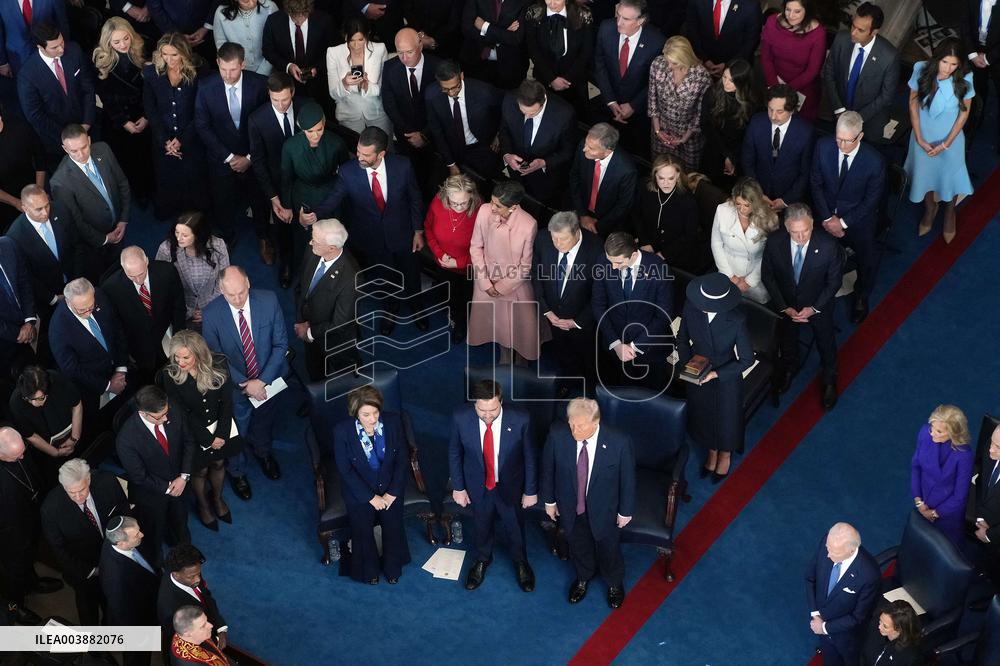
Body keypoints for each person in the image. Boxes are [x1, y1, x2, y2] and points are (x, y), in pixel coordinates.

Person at [305, 127, 428, 337]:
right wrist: (314, 215)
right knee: (385, 275)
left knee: (411, 273)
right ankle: (391, 309)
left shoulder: (403, 166)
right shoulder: (348, 171)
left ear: (381, 154)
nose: (359, 157)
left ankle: (417, 307)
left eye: (366, 154)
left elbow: (415, 199)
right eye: (358, 152)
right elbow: (333, 199)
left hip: (403, 234)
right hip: (371, 238)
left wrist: (418, 230)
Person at [201, 266, 289, 499]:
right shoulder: (211, 314)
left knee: (264, 420)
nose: (238, 299)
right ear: (221, 290)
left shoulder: (269, 301)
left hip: (268, 383)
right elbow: (215, 358)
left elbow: (281, 345)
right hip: (235, 388)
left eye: (241, 292)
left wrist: (262, 381)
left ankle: (263, 452)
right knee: (236, 430)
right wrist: (245, 383)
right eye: (231, 295)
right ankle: (237, 471)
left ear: (248, 282)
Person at [541, 398, 635, 608]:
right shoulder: (557, 435)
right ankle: (583, 576)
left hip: (605, 511)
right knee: (578, 545)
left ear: (596, 422)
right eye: (571, 424)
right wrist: (549, 501)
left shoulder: (619, 442)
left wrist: (625, 511)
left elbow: (627, 479)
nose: (574, 430)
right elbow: (548, 470)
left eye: (580, 426)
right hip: (570, 507)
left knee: (608, 548)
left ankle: (614, 582)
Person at [449, 380, 537, 592]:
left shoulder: (521, 419)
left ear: (501, 402)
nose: (488, 415)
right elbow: (454, 452)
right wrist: (458, 487)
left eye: (493, 409)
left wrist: (530, 490)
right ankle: (482, 559)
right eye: (482, 410)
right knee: (481, 524)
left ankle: (520, 562)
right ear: (474, 405)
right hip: (478, 485)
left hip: (510, 485)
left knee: (514, 525)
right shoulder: (460, 418)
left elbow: (530, 457)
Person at [157, 330, 243, 530]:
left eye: (186, 357)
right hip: (192, 433)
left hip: (221, 427)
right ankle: (203, 506)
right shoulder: (169, 374)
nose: (180, 362)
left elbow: (226, 402)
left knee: (219, 464)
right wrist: (207, 438)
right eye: (176, 356)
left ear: (199, 353)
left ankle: (217, 499)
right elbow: (181, 412)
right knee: (200, 470)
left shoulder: (219, 364)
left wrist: (221, 433)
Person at [761, 203, 844, 410]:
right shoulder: (774, 242)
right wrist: (783, 307)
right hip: (788, 305)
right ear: (786, 228)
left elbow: (834, 283)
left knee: (826, 342)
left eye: (805, 230)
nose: (800, 237)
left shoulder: (828, 246)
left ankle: (829, 379)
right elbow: (768, 276)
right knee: (787, 338)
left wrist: (814, 308)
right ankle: (790, 368)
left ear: (813, 224)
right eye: (795, 232)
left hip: (819, 305)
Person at [194, 41, 269, 255]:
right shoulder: (205, 86)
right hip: (221, 157)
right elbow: (202, 125)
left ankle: (264, 237)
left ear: (243, 64)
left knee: (259, 198)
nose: (227, 74)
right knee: (222, 200)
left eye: (233, 69)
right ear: (217, 62)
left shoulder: (260, 84)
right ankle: (227, 237)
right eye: (223, 68)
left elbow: (266, 125)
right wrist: (229, 157)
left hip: (253, 156)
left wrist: (248, 157)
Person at [810, 111, 886, 323]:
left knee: (868, 257)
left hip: (857, 219)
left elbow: (871, 202)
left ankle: (862, 295)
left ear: (860, 136)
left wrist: (842, 222)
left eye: (846, 140)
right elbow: (815, 183)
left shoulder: (874, 162)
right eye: (838, 138)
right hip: (825, 213)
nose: (840, 145)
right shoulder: (823, 147)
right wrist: (827, 218)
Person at [676, 273, 753, 481]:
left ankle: (725, 454)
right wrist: (687, 364)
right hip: (696, 372)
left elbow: (746, 359)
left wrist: (715, 374)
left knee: (726, 418)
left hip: (725, 376)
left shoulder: (736, 320)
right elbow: (682, 339)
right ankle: (711, 451)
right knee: (702, 415)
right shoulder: (691, 308)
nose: (700, 305)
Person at [332, 386, 412, 584]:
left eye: (376, 412)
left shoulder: (393, 422)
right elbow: (345, 470)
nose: (373, 419)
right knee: (362, 531)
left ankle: (393, 568)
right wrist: (370, 497)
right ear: (355, 413)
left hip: (390, 488)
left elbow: (402, 459)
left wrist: (393, 492)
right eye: (366, 414)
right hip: (359, 491)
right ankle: (369, 572)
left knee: (393, 528)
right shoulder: (342, 431)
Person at [467, 180, 548, 365]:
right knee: (497, 325)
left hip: (514, 284)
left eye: (498, 205)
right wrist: (486, 283)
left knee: (520, 327)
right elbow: (475, 247)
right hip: (485, 278)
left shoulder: (529, 224)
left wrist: (502, 287)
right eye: (492, 201)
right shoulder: (484, 211)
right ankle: (504, 353)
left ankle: (521, 360)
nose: (492, 207)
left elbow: (525, 265)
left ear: (513, 207)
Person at [40, 459, 128, 625]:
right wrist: (91, 571)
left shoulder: (107, 482)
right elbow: (59, 550)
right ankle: (94, 648)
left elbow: (123, 511)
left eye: (82, 490)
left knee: (115, 601)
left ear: (89, 480)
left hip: (115, 559)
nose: (78, 497)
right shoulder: (50, 509)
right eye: (71, 493)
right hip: (84, 570)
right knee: (88, 607)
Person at [905, 38, 974, 244]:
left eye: (954, 64)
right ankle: (930, 209)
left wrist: (946, 143)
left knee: (949, 178)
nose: (948, 69)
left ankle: (950, 213)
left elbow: (964, 114)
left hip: (950, 140)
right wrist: (919, 137)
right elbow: (912, 105)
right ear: (937, 59)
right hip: (922, 135)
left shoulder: (965, 78)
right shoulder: (921, 69)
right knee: (924, 175)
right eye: (945, 62)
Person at [116, 385, 195, 565]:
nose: (167, 418)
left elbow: (189, 441)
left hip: (180, 482)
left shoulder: (170, 408)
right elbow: (139, 476)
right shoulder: (126, 439)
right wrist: (168, 487)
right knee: (155, 532)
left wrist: (183, 477)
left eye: (166, 412)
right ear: (143, 413)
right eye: (160, 417)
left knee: (181, 523)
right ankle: (158, 565)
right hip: (151, 494)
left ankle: (186, 557)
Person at [591, 231, 674, 391]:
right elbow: (598, 305)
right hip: (615, 345)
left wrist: (635, 346)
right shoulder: (603, 262)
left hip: (650, 349)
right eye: (610, 261)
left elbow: (663, 315)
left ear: (634, 255)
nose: (613, 267)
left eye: (618, 262)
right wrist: (616, 344)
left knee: (651, 396)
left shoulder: (658, 267)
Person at [532, 211, 603, 396]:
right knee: (562, 354)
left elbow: (599, 293)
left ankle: (591, 391)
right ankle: (568, 380)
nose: (557, 244)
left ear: (577, 232)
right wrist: (546, 311)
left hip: (584, 322)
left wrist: (578, 321)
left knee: (590, 359)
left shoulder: (596, 249)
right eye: (554, 238)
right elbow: (536, 276)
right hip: (554, 316)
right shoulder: (542, 238)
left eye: (562, 239)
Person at [50, 124, 131, 283]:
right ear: (65, 149)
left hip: (119, 228)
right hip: (93, 244)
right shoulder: (60, 182)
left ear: (89, 139)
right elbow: (75, 221)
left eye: (84, 147)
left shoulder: (103, 150)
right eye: (74, 151)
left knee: (120, 269)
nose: (81, 154)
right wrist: (104, 239)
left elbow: (122, 183)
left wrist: (124, 219)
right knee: (102, 278)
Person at [48, 278, 131, 433]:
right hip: (94, 386)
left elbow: (117, 330)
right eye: (82, 310)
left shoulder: (99, 295)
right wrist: (107, 385)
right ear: (68, 302)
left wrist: (121, 368)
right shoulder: (58, 328)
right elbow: (71, 369)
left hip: (120, 369)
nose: (88, 312)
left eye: (91, 306)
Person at [143, 32, 210, 220]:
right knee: (166, 177)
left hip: (192, 137)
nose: (169, 59)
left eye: (174, 54)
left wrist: (181, 140)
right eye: (165, 54)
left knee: (194, 178)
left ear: (184, 53)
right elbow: (150, 108)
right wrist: (165, 140)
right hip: (162, 139)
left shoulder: (199, 72)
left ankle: (196, 218)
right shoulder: (151, 73)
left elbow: (201, 110)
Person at [0, 427, 63, 626]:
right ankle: (15, 607)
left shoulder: (19, 452)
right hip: (10, 533)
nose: (22, 457)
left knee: (30, 555)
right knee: (13, 572)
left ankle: (32, 583)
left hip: (31, 516)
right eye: (16, 456)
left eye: (23, 452)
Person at [6, 186, 77, 360]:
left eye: (47, 205)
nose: (45, 212)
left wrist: (77, 278)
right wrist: (53, 298)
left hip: (75, 279)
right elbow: (27, 277)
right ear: (24, 208)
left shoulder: (60, 209)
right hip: (48, 296)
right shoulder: (15, 237)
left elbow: (76, 246)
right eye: (38, 209)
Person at [16, 23, 97, 171]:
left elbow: (88, 88)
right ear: (40, 47)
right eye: (54, 47)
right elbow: (36, 116)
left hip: (88, 127)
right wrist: (68, 137)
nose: (61, 49)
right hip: (57, 142)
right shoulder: (27, 75)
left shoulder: (74, 51)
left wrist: (87, 122)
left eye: (62, 42)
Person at [102, 246, 187, 386]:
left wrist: (180, 338)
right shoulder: (111, 288)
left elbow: (178, 306)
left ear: (147, 261)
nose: (138, 280)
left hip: (167, 333)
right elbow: (117, 325)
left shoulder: (167, 271)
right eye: (131, 276)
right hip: (139, 345)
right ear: (123, 269)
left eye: (141, 273)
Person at [592, 0, 665, 157]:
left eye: (626, 19)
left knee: (636, 151)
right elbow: (600, 65)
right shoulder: (606, 28)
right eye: (618, 16)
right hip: (608, 105)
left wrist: (633, 105)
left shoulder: (656, 41)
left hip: (638, 111)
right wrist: (610, 101)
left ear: (641, 21)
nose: (619, 22)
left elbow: (655, 81)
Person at [248, 71, 300, 288]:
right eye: (275, 99)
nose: (280, 105)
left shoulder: (306, 107)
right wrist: (273, 196)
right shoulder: (257, 120)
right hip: (278, 185)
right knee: (283, 228)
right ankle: (286, 264)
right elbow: (258, 162)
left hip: (306, 178)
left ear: (293, 93)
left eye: (285, 99)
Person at [92, 17, 153, 203]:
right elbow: (106, 98)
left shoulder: (144, 49)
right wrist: (123, 121)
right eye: (116, 42)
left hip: (143, 112)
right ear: (108, 42)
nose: (123, 44)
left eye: (126, 39)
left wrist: (147, 116)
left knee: (147, 156)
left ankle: (148, 188)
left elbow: (151, 90)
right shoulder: (101, 60)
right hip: (118, 119)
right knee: (125, 159)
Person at [294, 218, 360, 381]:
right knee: (315, 372)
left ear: (332, 248)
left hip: (335, 340)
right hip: (308, 326)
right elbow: (302, 287)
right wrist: (301, 318)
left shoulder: (351, 279)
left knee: (348, 376)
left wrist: (308, 332)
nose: (310, 243)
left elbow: (339, 323)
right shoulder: (314, 250)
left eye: (315, 241)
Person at [806, 522, 880, 666]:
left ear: (852, 550)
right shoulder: (828, 542)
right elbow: (810, 578)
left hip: (845, 635)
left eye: (835, 552)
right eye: (828, 548)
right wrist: (815, 612)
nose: (828, 555)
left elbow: (858, 617)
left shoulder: (869, 575)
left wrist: (824, 628)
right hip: (819, 621)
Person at [822, 2, 900, 139]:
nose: (853, 32)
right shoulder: (841, 39)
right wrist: (839, 109)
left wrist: (857, 118)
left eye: (860, 30)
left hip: (868, 122)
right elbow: (829, 72)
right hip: (836, 112)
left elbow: (886, 96)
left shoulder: (889, 56)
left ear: (874, 32)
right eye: (853, 26)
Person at [499, 79, 576, 208]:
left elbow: (568, 151)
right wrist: (507, 154)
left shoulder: (564, 115)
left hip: (545, 178)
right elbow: (504, 131)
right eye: (523, 112)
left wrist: (544, 162)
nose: (527, 117)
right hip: (516, 172)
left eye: (533, 113)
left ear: (543, 101)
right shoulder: (509, 100)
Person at [382, 27, 442, 192]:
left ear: (420, 46)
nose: (404, 58)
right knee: (409, 178)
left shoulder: (437, 67)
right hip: (405, 135)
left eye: (409, 52)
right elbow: (389, 104)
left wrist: (424, 135)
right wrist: (409, 133)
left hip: (433, 135)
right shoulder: (389, 68)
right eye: (400, 52)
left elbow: (442, 107)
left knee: (433, 178)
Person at [424, 59, 504, 180]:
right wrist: (450, 163)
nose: (451, 93)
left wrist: (498, 134)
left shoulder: (484, 92)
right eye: (445, 89)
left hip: (481, 146)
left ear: (461, 75)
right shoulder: (432, 95)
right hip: (451, 149)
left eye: (455, 87)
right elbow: (437, 131)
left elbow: (505, 108)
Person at [279, 101, 349, 236]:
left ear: (324, 125)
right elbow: (286, 178)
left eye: (319, 129)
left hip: (330, 194)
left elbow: (346, 174)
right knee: (305, 236)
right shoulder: (290, 146)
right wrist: (287, 206)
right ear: (302, 128)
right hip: (303, 195)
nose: (315, 135)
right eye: (310, 131)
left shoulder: (337, 142)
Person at [423, 174, 479, 344]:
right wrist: (439, 254)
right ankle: (453, 313)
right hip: (443, 262)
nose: (459, 207)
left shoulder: (481, 212)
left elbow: (485, 249)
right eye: (454, 203)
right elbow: (428, 228)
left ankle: (461, 325)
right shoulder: (438, 203)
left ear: (472, 197)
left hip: (468, 268)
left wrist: (459, 262)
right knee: (450, 294)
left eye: (463, 203)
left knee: (465, 300)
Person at [741, 84, 814, 213]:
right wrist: (757, 193)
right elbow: (748, 161)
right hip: (758, 196)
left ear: (791, 110)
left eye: (780, 111)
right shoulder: (756, 122)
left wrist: (786, 200)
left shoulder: (806, 132)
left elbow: (805, 173)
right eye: (770, 109)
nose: (773, 116)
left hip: (790, 202)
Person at [8, 366, 83, 489]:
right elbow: (31, 436)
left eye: (39, 398)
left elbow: (77, 405)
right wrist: (56, 453)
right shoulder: (16, 402)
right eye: (29, 399)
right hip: (46, 449)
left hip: (73, 430)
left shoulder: (58, 380)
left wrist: (75, 438)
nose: (33, 403)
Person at [910, 404, 973, 548]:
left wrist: (934, 514)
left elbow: (960, 496)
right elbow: (916, 467)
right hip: (924, 501)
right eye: (931, 427)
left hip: (947, 513)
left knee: (945, 549)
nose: (932, 433)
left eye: (938, 431)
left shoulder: (964, 456)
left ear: (952, 433)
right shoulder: (925, 433)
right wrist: (919, 502)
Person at [156, 212, 231, 331]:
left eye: (185, 235)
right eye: (177, 232)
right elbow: (161, 285)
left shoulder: (218, 245)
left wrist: (208, 308)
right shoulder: (166, 249)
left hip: (212, 306)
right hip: (180, 311)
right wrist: (187, 310)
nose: (178, 238)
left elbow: (224, 280)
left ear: (197, 235)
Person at [635, 156, 708, 274]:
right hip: (647, 244)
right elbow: (636, 215)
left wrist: (665, 254)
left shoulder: (688, 200)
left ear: (678, 176)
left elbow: (689, 235)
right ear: (655, 176)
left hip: (675, 252)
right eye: (661, 178)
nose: (666, 183)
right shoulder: (645, 188)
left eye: (671, 178)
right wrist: (645, 242)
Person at [648, 35, 711, 170]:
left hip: (689, 137)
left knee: (687, 177)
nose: (669, 66)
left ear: (685, 58)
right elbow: (652, 100)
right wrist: (658, 130)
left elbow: (699, 114)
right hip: (661, 131)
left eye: (674, 63)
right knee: (661, 170)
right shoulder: (657, 65)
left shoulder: (701, 76)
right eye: (668, 60)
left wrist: (684, 138)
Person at [710, 177, 777, 305]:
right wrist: (730, 276)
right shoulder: (722, 210)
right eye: (738, 204)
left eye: (747, 205)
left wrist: (749, 281)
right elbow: (716, 244)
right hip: (728, 270)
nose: (742, 209)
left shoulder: (770, 218)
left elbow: (769, 255)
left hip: (757, 274)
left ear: (756, 202)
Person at [260, 0, 336, 110]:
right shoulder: (273, 21)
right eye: (295, 17)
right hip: (287, 84)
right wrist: (288, 66)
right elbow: (267, 50)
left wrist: (317, 68)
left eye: (303, 15)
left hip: (319, 85)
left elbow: (333, 51)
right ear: (288, 12)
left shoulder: (324, 20)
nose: (300, 21)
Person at [524, 0, 595, 114]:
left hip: (574, 78)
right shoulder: (534, 13)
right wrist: (551, 78)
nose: (552, 3)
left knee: (577, 116)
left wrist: (568, 79)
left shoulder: (583, 14)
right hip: (544, 78)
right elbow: (533, 49)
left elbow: (586, 51)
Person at [569, 122, 638, 237]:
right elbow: (574, 177)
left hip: (606, 223)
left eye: (591, 148)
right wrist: (583, 215)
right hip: (580, 209)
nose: (584, 149)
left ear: (608, 151)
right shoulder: (584, 146)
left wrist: (597, 226)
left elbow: (623, 205)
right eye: (586, 143)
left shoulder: (627, 170)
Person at [760, 0, 825, 121]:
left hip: (803, 91)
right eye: (788, 9)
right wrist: (775, 88)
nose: (791, 15)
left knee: (798, 131)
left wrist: (785, 91)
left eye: (797, 11)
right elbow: (766, 57)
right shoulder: (772, 21)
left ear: (807, 10)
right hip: (774, 84)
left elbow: (812, 71)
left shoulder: (818, 33)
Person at [700, 59, 761, 188]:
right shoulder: (712, 93)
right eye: (724, 77)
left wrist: (733, 157)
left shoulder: (752, 104)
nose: (726, 83)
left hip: (738, 154)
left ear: (742, 83)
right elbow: (706, 127)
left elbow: (749, 137)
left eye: (732, 81)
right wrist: (726, 155)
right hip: (714, 149)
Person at [325, 17, 392, 135]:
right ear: (345, 36)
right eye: (351, 40)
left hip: (377, 112)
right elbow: (333, 93)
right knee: (355, 151)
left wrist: (367, 86)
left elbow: (384, 88)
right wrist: (345, 83)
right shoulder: (333, 53)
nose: (356, 45)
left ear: (367, 35)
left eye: (361, 40)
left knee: (385, 149)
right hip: (348, 115)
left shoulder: (380, 49)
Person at [157, 545, 228, 651]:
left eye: (199, 574)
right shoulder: (169, 608)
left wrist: (220, 627)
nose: (198, 580)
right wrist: (214, 644)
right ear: (175, 575)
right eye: (191, 577)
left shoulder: (190, 571)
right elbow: (185, 643)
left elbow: (206, 598)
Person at [99, 516, 160, 632]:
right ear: (121, 544)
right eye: (137, 535)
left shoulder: (113, 541)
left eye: (139, 530)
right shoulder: (115, 577)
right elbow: (124, 610)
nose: (142, 535)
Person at [460, 0, 528, 90]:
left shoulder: (524, 2)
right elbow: (467, 28)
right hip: (477, 61)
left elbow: (516, 38)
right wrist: (503, 33)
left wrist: (485, 27)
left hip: (509, 67)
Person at [0, 104, 46, 233]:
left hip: (32, 185)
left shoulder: (20, 127)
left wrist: (39, 191)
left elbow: (40, 157)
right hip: (5, 204)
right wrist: (16, 203)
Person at [685, 0, 761, 77]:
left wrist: (728, 65)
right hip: (701, 65)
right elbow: (692, 30)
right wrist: (703, 58)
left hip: (733, 71)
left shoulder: (751, 6)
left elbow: (751, 42)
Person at [962, 0, 1000, 142]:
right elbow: (965, 25)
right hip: (976, 51)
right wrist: (972, 54)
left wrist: (989, 58)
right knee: (976, 91)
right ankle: (973, 124)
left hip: (997, 53)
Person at [0, 235, 38, 371]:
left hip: (27, 327)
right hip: (5, 339)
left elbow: (24, 282)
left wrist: (29, 320)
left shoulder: (8, 244)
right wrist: (17, 333)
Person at [0, 0, 69, 74]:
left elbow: (62, 23)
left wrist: (66, 52)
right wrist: (3, 62)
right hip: (19, 58)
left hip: (51, 55)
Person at [213, 0, 277, 76]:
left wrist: (263, 72)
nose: (252, 2)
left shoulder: (270, 7)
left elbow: (276, 43)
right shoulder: (221, 12)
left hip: (270, 72)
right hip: (238, 73)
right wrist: (237, 71)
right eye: (246, 1)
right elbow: (222, 48)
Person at [973, 424, 1000, 587]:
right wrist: (981, 516)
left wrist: (989, 535)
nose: (990, 450)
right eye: (992, 442)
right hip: (987, 518)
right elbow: (982, 481)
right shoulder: (990, 448)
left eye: (998, 447)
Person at [861, 600, 922, 666]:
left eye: (885, 626)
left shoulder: (910, 656)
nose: (879, 626)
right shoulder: (874, 625)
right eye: (880, 621)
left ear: (899, 629)